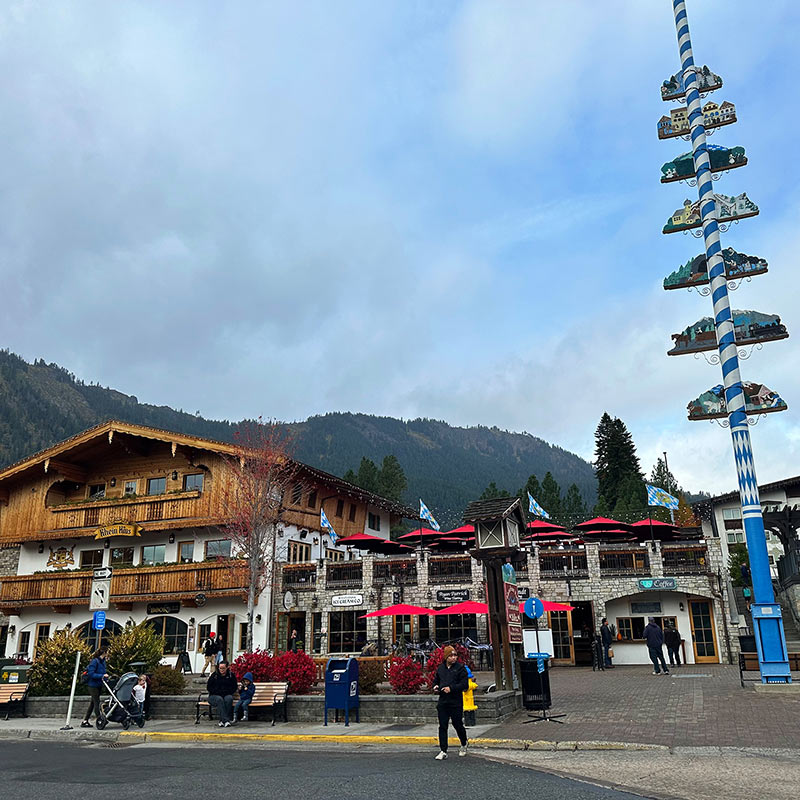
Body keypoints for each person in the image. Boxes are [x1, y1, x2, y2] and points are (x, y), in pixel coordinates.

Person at [432, 646, 469, 760]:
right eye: (451, 656)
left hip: (455, 701)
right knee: (442, 726)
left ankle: (464, 743)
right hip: (443, 701)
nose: (453, 658)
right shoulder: (441, 668)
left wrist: (451, 688)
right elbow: (436, 680)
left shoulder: (460, 668)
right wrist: (435, 686)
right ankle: (443, 750)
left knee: (457, 724)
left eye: (455, 655)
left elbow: (464, 685)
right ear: (446, 657)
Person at [80, 647, 108, 728]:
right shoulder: (95, 661)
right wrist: (102, 676)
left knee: (92, 703)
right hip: (92, 685)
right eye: (107, 652)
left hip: (99, 684)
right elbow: (91, 674)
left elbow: (103, 672)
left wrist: (106, 678)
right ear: (104, 653)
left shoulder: (103, 662)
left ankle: (85, 721)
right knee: (96, 702)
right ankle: (100, 719)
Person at [207, 660, 238, 727]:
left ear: (227, 668)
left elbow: (234, 687)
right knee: (219, 699)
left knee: (229, 698)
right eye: (220, 668)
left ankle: (222, 721)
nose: (221, 670)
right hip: (214, 696)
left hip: (226, 694)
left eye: (223, 668)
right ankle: (226, 720)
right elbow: (209, 687)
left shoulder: (231, 675)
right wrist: (218, 692)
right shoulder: (214, 675)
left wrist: (227, 692)